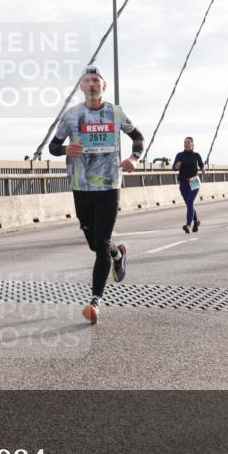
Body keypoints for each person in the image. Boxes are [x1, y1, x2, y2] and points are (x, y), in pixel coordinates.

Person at [49, 64, 144, 324]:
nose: (91, 84)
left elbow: (138, 137)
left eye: (96, 80)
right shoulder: (71, 115)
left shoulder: (115, 113)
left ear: (104, 85)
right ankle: (118, 254)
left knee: (101, 242)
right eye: (87, 80)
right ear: (81, 87)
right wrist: (66, 149)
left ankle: (95, 301)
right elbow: (53, 146)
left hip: (109, 185)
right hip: (81, 187)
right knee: (95, 244)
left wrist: (134, 158)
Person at [173, 137, 206, 232]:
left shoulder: (196, 155)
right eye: (185, 142)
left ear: (192, 144)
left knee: (190, 202)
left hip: (194, 181)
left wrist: (203, 169)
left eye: (188, 142)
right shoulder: (179, 155)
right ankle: (196, 221)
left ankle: (188, 225)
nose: (186, 144)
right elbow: (174, 168)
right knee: (188, 203)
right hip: (183, 182)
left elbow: (201, 165)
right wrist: (177, 166)